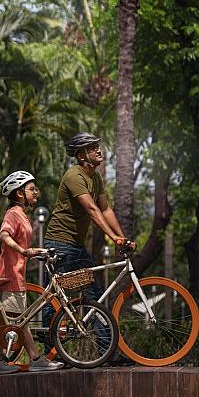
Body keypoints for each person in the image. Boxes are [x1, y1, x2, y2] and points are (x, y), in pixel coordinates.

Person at [42, 132, 136, 345]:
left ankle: (105, 350)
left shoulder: (95, 177)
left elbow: (106, 209)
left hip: (76, 245)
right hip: (59, 244)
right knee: (54, 299)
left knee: (95, 296)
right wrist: (112, 237)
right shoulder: (74, 176)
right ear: (82, 155)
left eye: (97, 146)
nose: (98, 150)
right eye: (93, 148)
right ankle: (49, 351)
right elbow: (92, 209)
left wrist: (122, 238)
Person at [0, 170, 64, 375]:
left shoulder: (23, 214)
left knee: (9, 321)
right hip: (9, 274)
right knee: (20, 320)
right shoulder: (13, 213)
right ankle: (35, 359)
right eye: (31, 189)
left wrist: (40, 252)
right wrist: (22, 251)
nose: (36, 193)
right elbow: (4, 235)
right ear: (19, 193)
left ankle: (0, 362)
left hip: (16, 274)